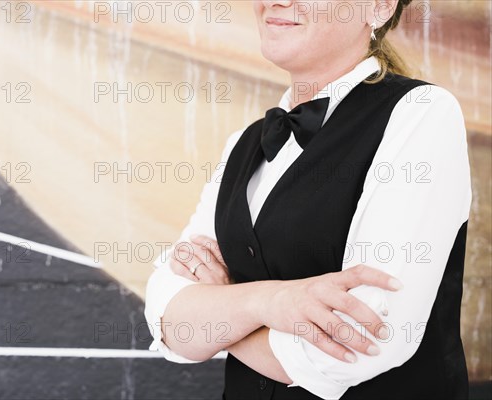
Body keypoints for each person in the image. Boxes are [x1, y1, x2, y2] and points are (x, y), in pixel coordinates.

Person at [144, 0, 472, 399]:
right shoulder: (243, 144)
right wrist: (268, 302)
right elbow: (167, 319)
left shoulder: (422, 114)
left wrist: (220, 317)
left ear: (381, 6)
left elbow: (363, 342)